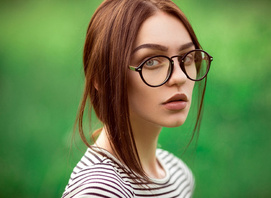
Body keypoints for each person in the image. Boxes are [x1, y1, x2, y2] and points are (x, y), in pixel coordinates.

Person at [62, 0, 213, 197]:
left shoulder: (179, 175)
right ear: (101, 77)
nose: (180, 76)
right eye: (151, 61)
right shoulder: (98, 191)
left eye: (187, 57)